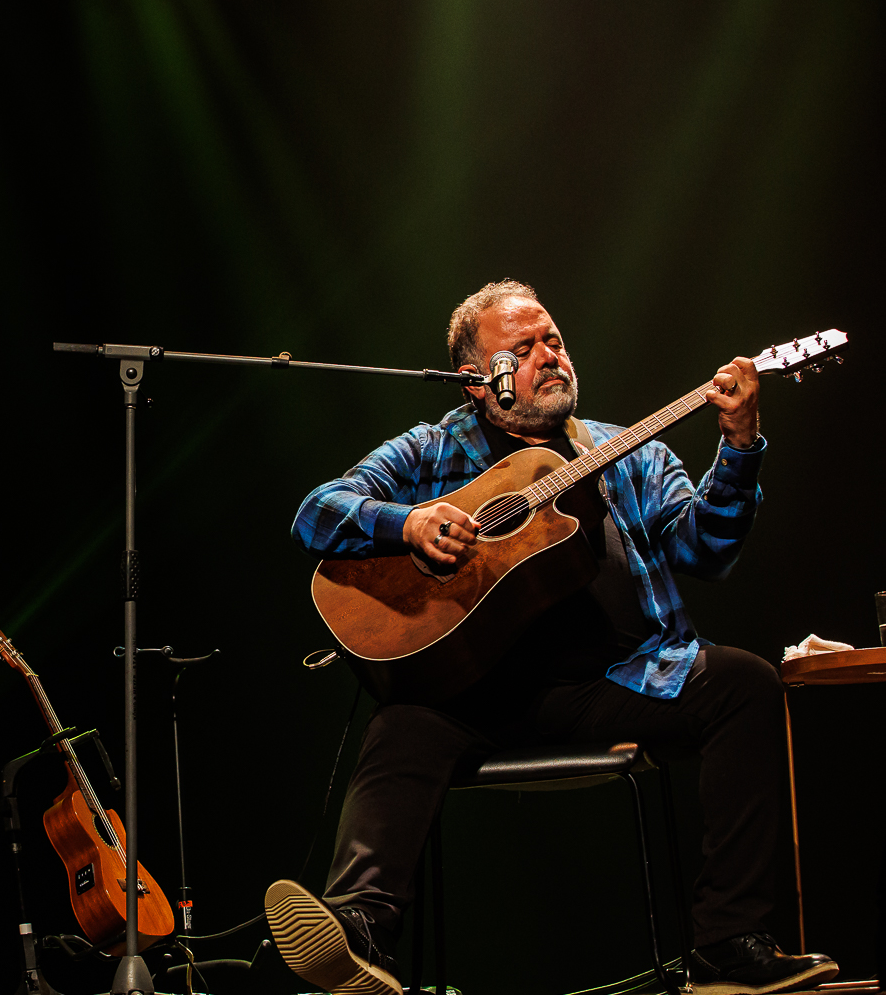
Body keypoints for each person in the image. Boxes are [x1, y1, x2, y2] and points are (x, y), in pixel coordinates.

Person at [263, 281, 838, 995]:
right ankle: (360, 927)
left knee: (746, 683)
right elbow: (317, 512)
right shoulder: (434, 448)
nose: (550, 357)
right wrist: (407, 524)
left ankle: (728, 946)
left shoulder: (627, 451)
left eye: (555, 341)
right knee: (401, 721)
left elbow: (708, 552)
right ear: (478, 380)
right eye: (524, 349)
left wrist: (741, 445)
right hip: (471, 694)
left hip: (610, 684)